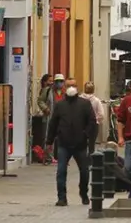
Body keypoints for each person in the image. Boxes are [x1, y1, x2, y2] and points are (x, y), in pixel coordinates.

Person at [45, 76, 97, 207]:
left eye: (73, 85)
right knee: (61, 171)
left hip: (80, 144)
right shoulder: (60, 105)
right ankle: (62, 198)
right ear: (65, 87)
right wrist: (49, 141)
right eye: (68, 86)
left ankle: (83, 192)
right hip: (63, 144)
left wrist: (86, 136)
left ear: (77, 87)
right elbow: (53, 123)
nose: (71, 88)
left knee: (84, 171)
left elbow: (92, 122)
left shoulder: (85, 104)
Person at [32, 74, 53, 163]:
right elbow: (40, 101)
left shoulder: (54, 90)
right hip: (48, 117)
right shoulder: (46, 90)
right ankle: (46, 156)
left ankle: (50, 156)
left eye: (52, 81)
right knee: (47, 136)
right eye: (49, 81)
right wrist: (45, 109)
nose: (51, 82)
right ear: (45, 82)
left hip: (54, 117)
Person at [81, 81, 105, 154]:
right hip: (93, 125)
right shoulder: (96, 100)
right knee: (91, 144)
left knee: (81, 144)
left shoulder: (79, 99)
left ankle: (82, 157)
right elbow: (101, 114)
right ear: (93, 90)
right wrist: (96, 120)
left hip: (81, 125)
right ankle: (90, 158)